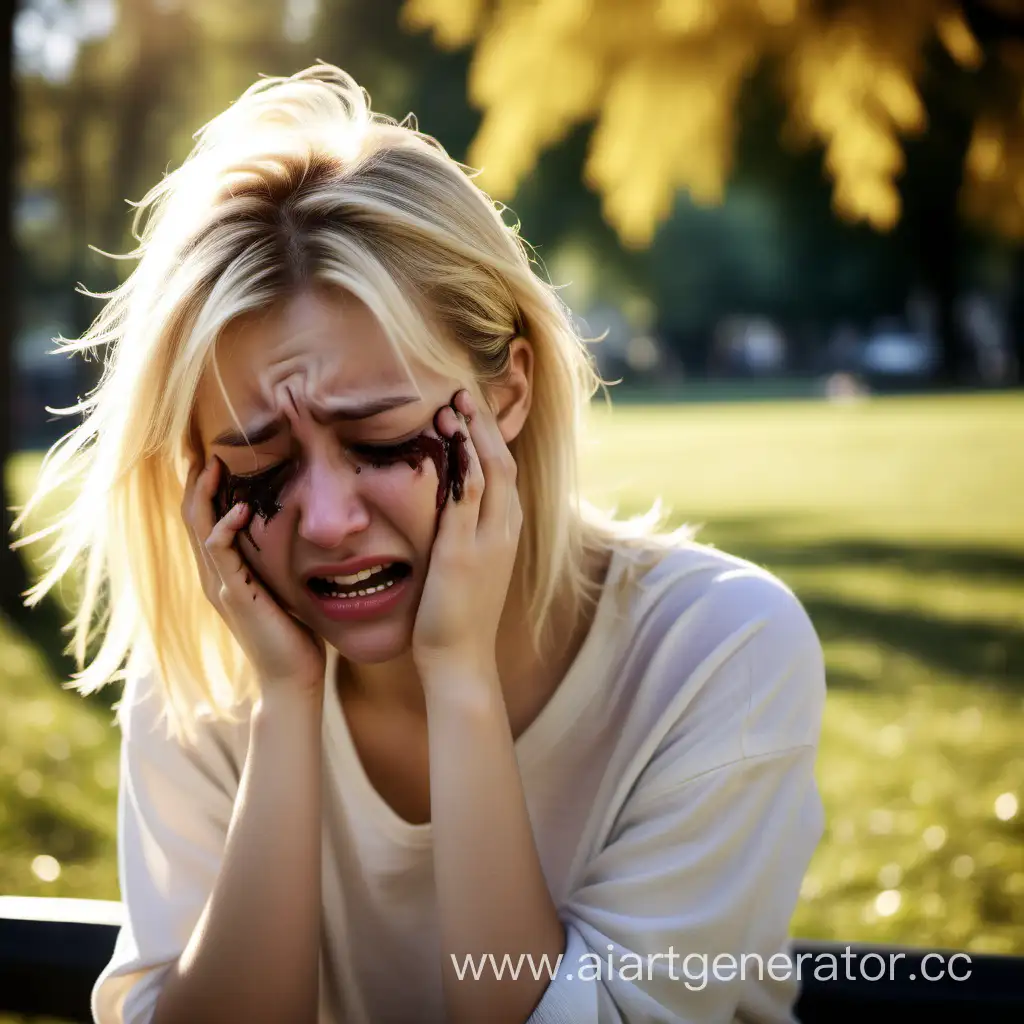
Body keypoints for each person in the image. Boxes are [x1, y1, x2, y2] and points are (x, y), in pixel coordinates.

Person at [14, 64, 826, 1024]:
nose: (324, 521)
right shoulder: (208, 675)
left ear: (508, 394)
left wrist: (460, 678)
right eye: (257, 460)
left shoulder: (719, 654)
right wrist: (284, 705)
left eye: (381, 441)